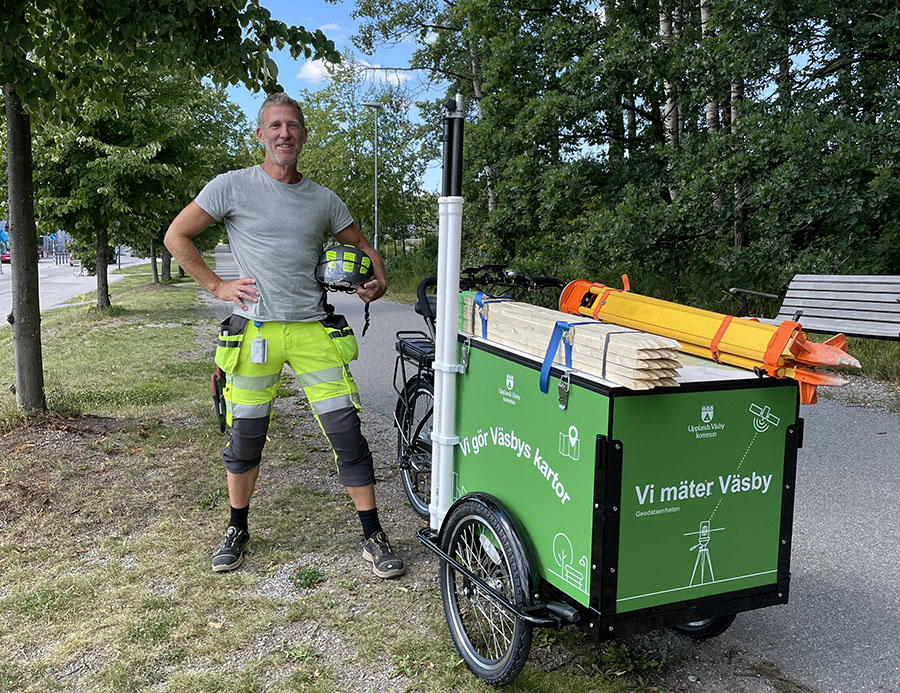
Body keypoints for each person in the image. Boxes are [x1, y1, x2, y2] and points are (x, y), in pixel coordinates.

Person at [164, 92, 405, 579]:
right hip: (254, 333)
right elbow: (177, 236)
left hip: (313, 331)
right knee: (245, 437)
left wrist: (378, 282)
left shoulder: (322, 198)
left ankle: (373, 536)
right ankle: (237, 528)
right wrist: (216, 285)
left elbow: (362, 246)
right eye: (274, 126)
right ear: (260, 134)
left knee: (348, 436)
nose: (284, 134)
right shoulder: (231, 187)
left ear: (304, 135)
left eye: (292, 126)